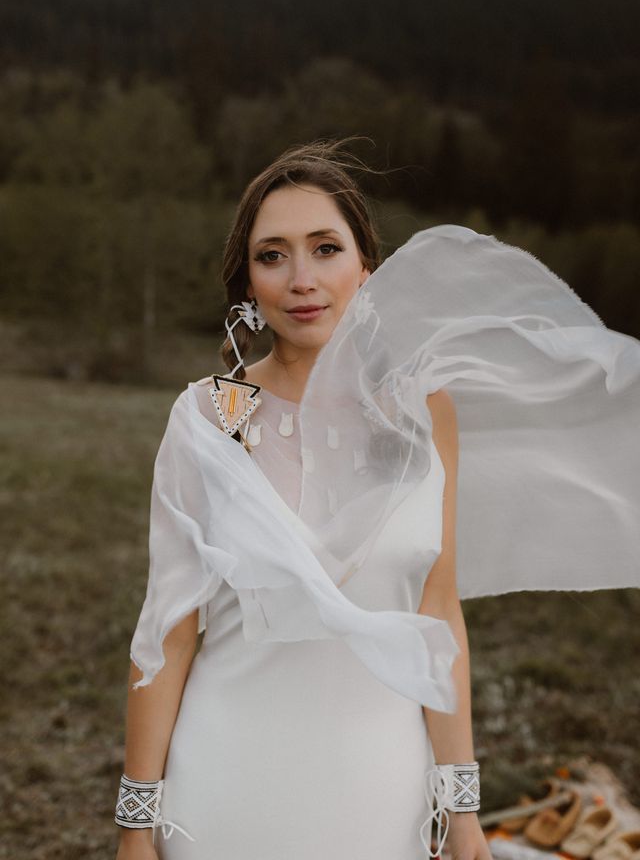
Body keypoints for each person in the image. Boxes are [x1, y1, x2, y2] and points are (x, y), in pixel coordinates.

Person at [114, 138, 640, 860]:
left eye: (325, 248)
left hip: (383, 794)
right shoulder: (212, 415)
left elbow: (438, 610)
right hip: (226, 791)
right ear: (248, 284)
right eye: (273, 256)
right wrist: (135, 825)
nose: (302, 279)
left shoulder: (421, 414)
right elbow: (169, 632)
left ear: (367, 269)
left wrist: (461, 809)